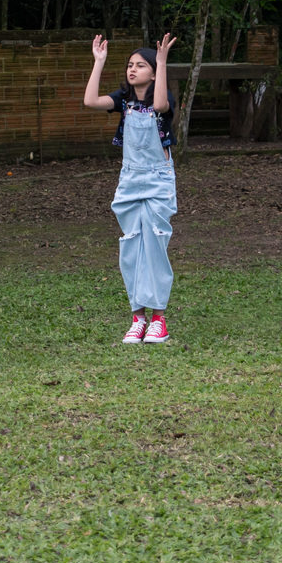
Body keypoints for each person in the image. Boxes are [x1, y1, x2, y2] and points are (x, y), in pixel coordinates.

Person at [84, 33, 179, 344]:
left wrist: (162, 63)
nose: (132, 69)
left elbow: (160, 104)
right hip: (129, 180)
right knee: (131, 249)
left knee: (154, 245)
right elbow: (90, 101)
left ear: (153, 73)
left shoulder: (163, 97)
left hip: (158, 179)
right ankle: (138, 318)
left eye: (140, 65)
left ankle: (159, 319)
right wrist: (99, 62)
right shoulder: (123, 100)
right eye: (129, 65)